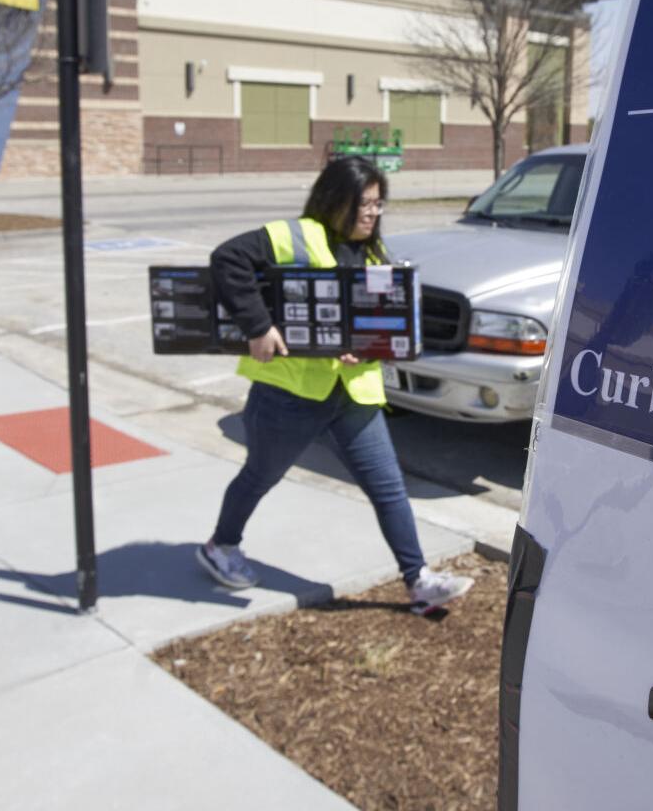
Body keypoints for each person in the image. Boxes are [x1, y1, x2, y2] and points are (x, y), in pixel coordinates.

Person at [197, 156, 475, 612]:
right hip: (289, 393)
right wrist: (258, 326)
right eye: (365, 203)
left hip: (353, 394)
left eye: (378, 203)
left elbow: (381, 323)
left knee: (388, 487)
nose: (373, 213)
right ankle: (220, 546)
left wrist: (368, 348)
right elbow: (227, 259)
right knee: (260, 475)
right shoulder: (296, 235)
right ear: (335, 199)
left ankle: (418, 580)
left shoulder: (375, 254)